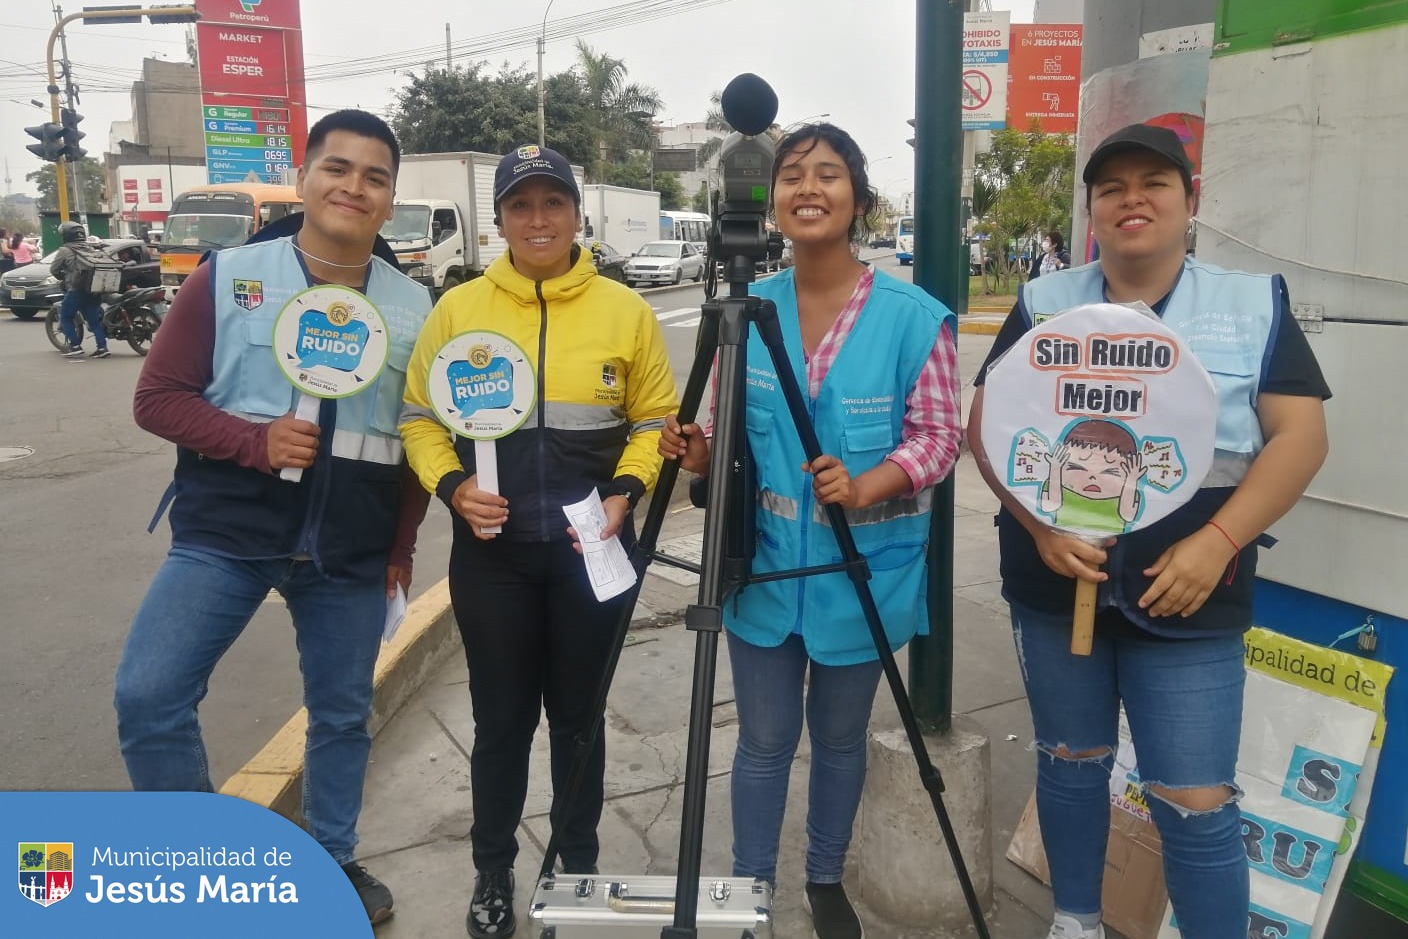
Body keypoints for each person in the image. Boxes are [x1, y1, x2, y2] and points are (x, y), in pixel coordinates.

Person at [966, 123, 1331, 939]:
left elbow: (1301, 438)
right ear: (1092, 209)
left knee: (1195, 801)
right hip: (1059, 584)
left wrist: (1218, 541)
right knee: (1069, 763)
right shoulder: (1044, 302)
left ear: (1189, 200)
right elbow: (984, 425)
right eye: (1112, 187)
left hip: (1191, 591)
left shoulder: (1251, 304)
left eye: (1154, 183)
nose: (1133, 198)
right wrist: (1038, 525)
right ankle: (1075, 920)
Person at [113, 109, 433, 926]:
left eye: (374, 176)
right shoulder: (227, 275)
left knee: (340, 715)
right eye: (337, 167)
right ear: (304, 177)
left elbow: (419, 440)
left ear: (390, 198)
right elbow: (157, 400)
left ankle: (332, 860)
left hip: (349, 554)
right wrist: (253, 440)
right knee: (149, 696)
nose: (353, 186)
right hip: (227, 536)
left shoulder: (416, 308)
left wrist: (400, 547)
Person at [658, 123, 962, 939]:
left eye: (829, 174)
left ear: (859, 199)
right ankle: (746, 889)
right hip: (759, 572)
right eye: (793, 174)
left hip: (863, 574)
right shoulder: (746, 314)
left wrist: (869, 481)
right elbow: (726, 428)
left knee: (838, 738)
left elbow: (938, 437)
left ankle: (824, 876)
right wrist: (700, 446)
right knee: (761, 742)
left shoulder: (913, 316)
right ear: (771, 200)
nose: (808, 187)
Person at [399, 144, 678, 939]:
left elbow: (654, 418)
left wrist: (628, 488)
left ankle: (575, 867)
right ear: (499, 221)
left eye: (553, 202)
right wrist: (453, 489)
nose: (538, 219)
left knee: (579, 720)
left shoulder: (625, 310)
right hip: (494, 558)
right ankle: (493, 869)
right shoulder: (458, 309)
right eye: (521, 205)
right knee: (502, 721)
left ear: (577, 214)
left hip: (593, 549)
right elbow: (420, 417)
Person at [49, 221, 112, 358]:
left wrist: (64, 277)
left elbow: (54, 269)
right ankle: (102, 347)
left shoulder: (64, 251)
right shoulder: (90, 248)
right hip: (94, 289)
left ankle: (75, 346)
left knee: (66, 316)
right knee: (94, 320)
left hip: (76, 290)